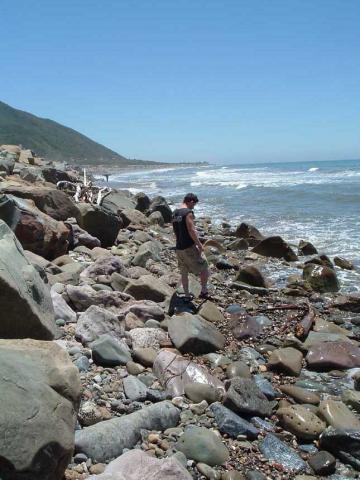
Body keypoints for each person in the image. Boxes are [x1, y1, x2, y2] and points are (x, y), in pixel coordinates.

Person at [172, 193, 210, 299]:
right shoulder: (188, 213)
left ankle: (187, 295)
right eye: (194, 204)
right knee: (204, 266)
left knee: (184, 271)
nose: (194, 207)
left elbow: (175, 231)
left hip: (179, 247)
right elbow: (191, 230)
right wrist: (199, 245)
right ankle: (204, 291)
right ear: (191, 201)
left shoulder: (174, 213)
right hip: (189, 247)